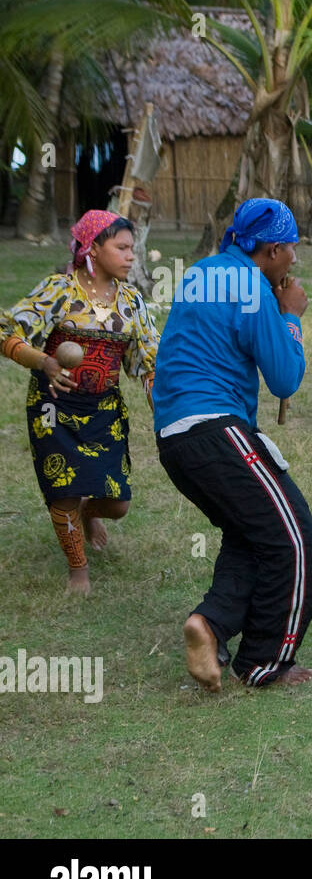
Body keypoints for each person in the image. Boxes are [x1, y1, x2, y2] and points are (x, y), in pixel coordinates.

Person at [152, 198, 312, 692]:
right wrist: (290, 315)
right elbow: (286, 378)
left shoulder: (203, 271)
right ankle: (266, 662)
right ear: (270, 250)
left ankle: (210, 626)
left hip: (175, 438)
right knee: (294, 540)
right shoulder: (253, 286)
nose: (294, 259)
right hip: (215, 429)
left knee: (253, 535)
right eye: (291, 249)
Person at [1, 210, 159, 594]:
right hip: (53, 406)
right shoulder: (60, 290)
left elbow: (147, 363)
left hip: (103, 410)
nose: (130, 256)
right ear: (93, 249)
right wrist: (44, 361)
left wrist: (164, 408)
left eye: (131, 248)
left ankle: (91, 512)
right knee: (64, 491)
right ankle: (78, 569)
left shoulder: (132, 302)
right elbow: (7, 330)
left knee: (118, 502)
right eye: (121, 247)